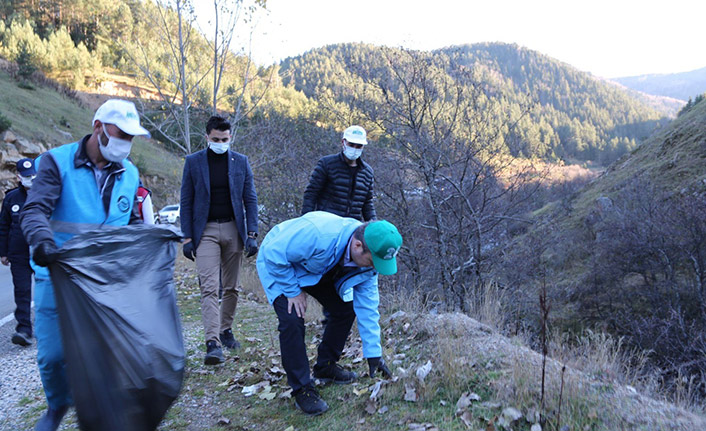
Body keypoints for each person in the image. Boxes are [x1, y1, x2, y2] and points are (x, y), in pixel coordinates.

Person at [20, 99, 148, 431]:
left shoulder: (129, 172)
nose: (126, 144)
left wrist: (149, 242)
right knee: (53, 357)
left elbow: (130, 222)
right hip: (57, 275)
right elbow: (35, 210)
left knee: (105, 357)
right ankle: (58, 405)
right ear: (98, 128)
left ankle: (102, 415)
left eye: (131, 138)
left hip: (104, 282)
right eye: (121, 134)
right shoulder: (56, 162)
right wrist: (42, 241)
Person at [256, 211, 401, 415]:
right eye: (372, 262)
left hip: (317, 268)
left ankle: (326, 366)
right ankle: (302, 389)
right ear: (358, 246)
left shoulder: (368, 261)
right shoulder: (319, 234)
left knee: (345, 308)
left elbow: (368, 308)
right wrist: (293, 291)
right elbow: (274, 253)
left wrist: (374, 353)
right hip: (280, 263)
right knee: (292, 319)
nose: (374, 268)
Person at [180, 115, 259, 365]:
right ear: (207, 137)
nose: (220, 143)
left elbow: (251, 199)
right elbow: (186, 201)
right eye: (216, 139)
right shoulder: (193, 163)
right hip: (206, 232)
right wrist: (187, 238)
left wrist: (252, 234)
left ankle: (225, 330)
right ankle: (212, 342)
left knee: (232, 287)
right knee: (209, 286)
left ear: (230, 137)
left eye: (225, 139)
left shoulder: (241, 162)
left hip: (234, 229)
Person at [301, 125, 376, 222]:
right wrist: (306, 220)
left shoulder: (367, 172)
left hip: (352, 227)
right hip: (326, 223)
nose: (354, 148)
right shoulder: (327, 164)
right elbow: (311, 193)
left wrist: (373, 224)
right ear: (343, 142)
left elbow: (367, 203)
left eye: (359, 146)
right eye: (351, 144)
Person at [0, 158, 37, 346]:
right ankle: (24, 330)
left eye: (33, 175)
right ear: (18, 176)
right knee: (22, 292)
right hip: (19, 253)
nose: (31, 178)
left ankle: (52, 327)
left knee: (49, 290)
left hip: (42, 252)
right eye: (27, 176)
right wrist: (3, 252)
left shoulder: (46, 194)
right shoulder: (11, 198)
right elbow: (3, 226)